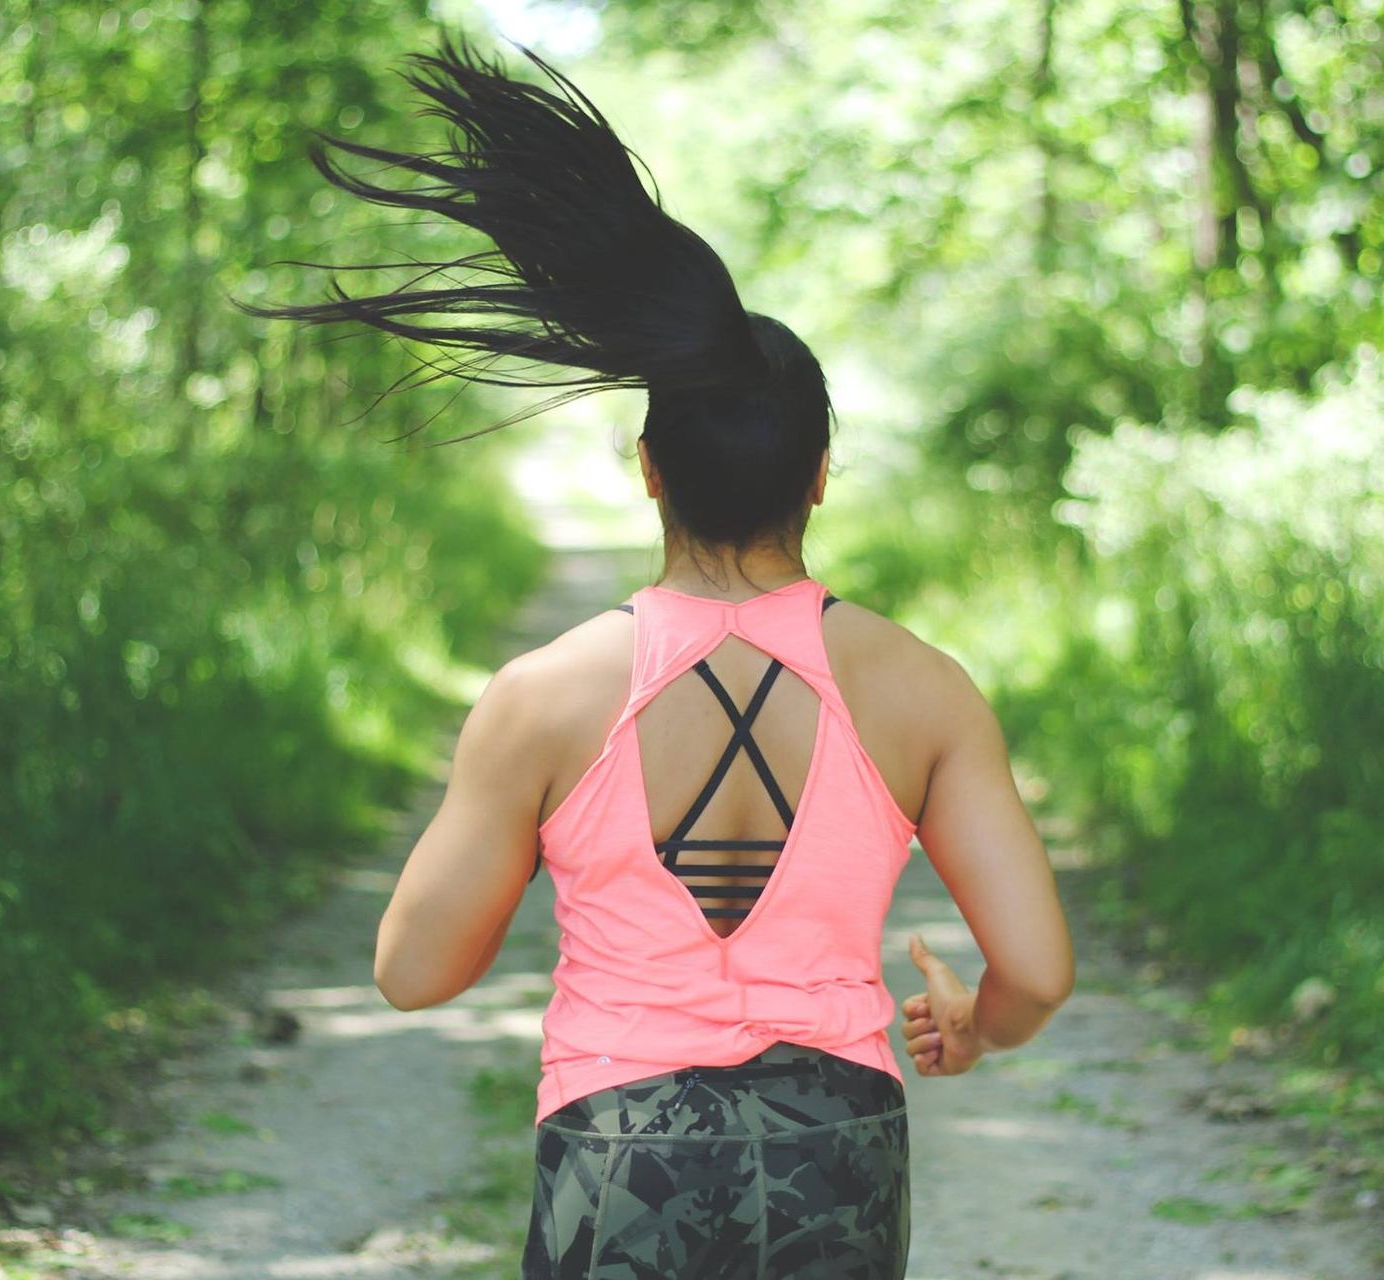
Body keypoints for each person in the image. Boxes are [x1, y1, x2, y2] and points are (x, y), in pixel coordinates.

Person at [235, 30, 1075, 1280]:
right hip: (837, 1145)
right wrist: (974, 1025)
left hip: (619, 1145)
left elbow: (411, 971)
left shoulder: (542, 698)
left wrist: (555, 838)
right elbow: (1040, 967)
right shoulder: (924, 687)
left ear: (649, 471)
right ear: (821, 476)